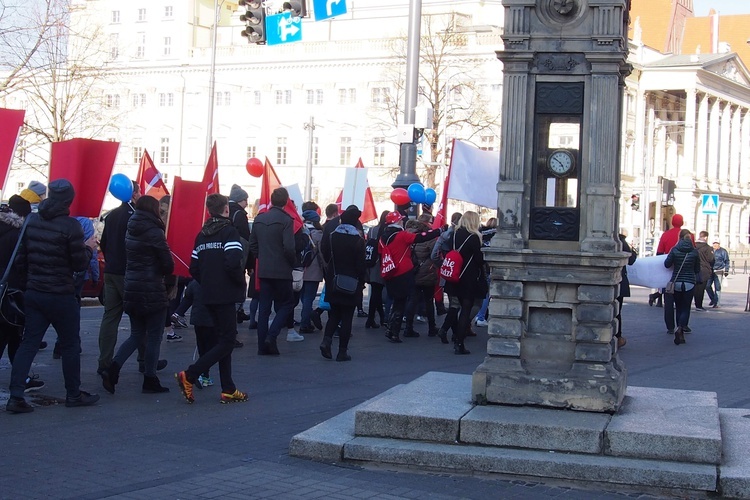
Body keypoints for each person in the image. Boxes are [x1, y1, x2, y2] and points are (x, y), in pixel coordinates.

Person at [6, 179, 99, 413]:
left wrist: (31, 281)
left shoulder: (32, 221)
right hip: (61, 293)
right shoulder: (70, 227)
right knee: (69, 344)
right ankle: (73, 394)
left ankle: (16, 395)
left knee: (29, 343)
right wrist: (89, 247)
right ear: (69, 200)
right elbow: (79, 263)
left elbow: (21, 260)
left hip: (35, 292)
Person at [176, 193, 247, 404]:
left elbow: (194, 268)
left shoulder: (202, 235)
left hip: (208, 294)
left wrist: (207, 281)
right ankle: (190, 374)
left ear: (209, 210)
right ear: (226, 209)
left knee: (223, 339)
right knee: (227, 341)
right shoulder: (229, 232)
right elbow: (234, 262)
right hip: (225, 294)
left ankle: (228, 388)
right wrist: (237, 283)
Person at [101, 196, 175, 395]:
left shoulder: (131, 228)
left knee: (136, 335)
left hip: (132, 286)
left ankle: (113, 369)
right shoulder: (155, 231)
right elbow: (167, 263)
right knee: (153, 337)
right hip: (151, 288)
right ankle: (150, 379)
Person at [0, 196, 45, 394]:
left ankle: (22, 378)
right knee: (14, 335)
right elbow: (24, 264)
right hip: (12, 292)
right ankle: (21, 379)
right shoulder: (18, 235)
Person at [379, 211, 441, 344]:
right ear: (397, 222)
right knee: (401, 302)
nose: (402, 221)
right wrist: (437, 232)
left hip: (390, 271)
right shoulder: (401, 235)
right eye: (400, 220)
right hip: (402, 271)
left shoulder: (383, 236)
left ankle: (391, 328)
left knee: (396, 301)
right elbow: (420, 237)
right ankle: (394, 332)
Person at [248, 187, 296, 356]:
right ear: (285, 202)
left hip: (265, 269)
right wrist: (292, 263)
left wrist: (262, 257)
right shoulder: (286, 220)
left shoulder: (260, 219)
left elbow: (252, 244)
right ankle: (272, 334)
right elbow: (289, 247)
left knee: (264, 308)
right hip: (282, 270)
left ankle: (262, 346)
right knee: (287, 303)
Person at [319, 206, 366, 361]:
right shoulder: (358, 240)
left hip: (334, 279)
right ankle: (342, 351)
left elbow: (325, 253)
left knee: (334, 314)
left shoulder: (333, 236)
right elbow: (361, 265)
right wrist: (362, 281)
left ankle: (326, 340)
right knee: (347, 317)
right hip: (352, 282)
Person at [444, 211, 486, 355]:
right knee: (466, 310)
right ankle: (459, 342)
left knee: (457, 306)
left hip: (455, 275)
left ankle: (455, 336)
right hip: (468, 278)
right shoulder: (474, 237)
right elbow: (480, 260)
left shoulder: (454, 235)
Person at [403, 217, 439, 338]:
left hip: (413, 271)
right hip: (427, 272)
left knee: (412, 300)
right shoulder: (428, 239)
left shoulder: (408, 237)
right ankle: (432, 327)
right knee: (429, 301)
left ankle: (408, 327)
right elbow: (435, 255)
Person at [664, 229, 700, 345]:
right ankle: (681, 328)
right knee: (686, 307)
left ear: (680, 238)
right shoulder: (694, 252)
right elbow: (697, 269)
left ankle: (678, 328)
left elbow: (667, 264)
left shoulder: (674, 250)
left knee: (678, 307)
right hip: (689, 283)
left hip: (677, 282)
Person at [650, 214, 687, 308]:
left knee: (665, 282)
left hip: (668, 261)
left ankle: (660, 299)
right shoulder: (688, 235)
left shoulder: (666, 234)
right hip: (683, 263)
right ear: (682, 222)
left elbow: (659, 251)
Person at [228, 183, 252, 326]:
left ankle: (236, 312)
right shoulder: (240, 214)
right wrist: (249, 264)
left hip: (225, 255)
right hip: (238, 256)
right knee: (238, 285)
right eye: (245, 200)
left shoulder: (225, 210)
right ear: (239, 200)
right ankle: (236, 313)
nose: (247, 203)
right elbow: (246, 241)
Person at [298, 209, 324, 334]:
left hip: (300, 269)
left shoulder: (300, 232)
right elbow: (323, 253)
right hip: (313, 271)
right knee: (309, 298)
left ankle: (305, 319)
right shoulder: (318, 234)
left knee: (304, 297)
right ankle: (305, 323)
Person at [365, 210, 389, 329]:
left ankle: (380, 317)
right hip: (381, 262)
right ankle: (371, 319)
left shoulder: (372, 229)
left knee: (376, 291)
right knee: (376, 292)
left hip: (372, 262)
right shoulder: (386, 231)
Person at [615, 233, 637, 348]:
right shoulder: (621, 241)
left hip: (612, 278)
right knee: (617, 311)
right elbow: (631, 260)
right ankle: (618, 337)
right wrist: (633, 251)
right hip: (620, 280)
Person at [693, 231, 714, 311]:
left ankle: (694, 303)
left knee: (694, 287)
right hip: (704, 270)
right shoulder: (708, 248)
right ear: (706, 237)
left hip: (694, 269)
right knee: (701, 288)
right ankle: (699, 305)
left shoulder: (693, 246)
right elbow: (710, 259)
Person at [707, 241, 730, 308]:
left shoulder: (723, 251)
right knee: (707, 286)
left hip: (719, 270)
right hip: (710, 270)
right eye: (714, 243)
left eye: (716, 243)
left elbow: (727, 261)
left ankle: (717, 303)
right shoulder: (710, 250)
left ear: (719, 244)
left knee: (718, 287)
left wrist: (726, 270)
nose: (715, 245)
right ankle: (713, 299)